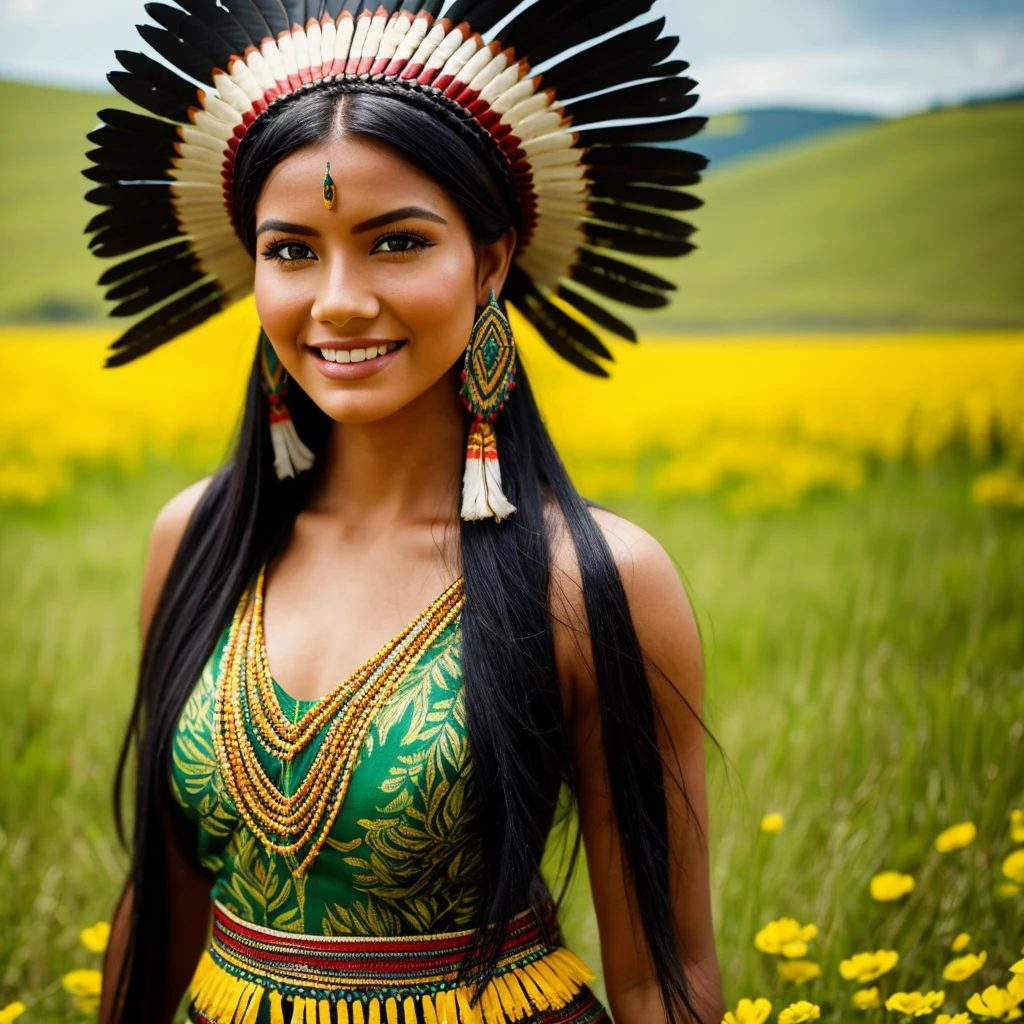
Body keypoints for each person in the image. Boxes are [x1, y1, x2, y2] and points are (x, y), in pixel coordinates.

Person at [87, 2, 723, 1022]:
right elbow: (162, 901)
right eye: (292, 251)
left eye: (395, 242)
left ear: (489, 260)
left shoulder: (593, 579)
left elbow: (663, 974)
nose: (337, 300)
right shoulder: (197, 539)